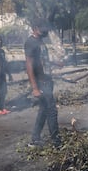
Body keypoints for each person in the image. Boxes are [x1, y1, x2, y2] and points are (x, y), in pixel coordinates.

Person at [25, 18, 62, 148]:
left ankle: (35, 139)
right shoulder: (30, 42)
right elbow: (29, 65)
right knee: (52, 111)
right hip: (41, 82)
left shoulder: (40, 41)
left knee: (43, 110)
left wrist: (54, 63)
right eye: (43, 28)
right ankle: (57, 143)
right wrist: (34, 88)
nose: (46, 31)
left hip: (47, 80)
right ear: (35, 28)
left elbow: (41, 60)